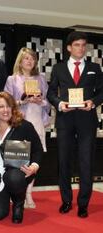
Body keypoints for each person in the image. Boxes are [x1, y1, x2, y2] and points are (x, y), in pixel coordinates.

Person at [47, 31, 103, 218]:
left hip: (87, 120)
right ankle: (66, 201)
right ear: (69, 48)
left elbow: (102, 92)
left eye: (83, 45)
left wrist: (93, 102)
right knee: (64, 161)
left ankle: (84, 203)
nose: (81, 48)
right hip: (65, 119)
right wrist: (60, 104)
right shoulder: (59, 68)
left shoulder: (95, 67)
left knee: (86, 162)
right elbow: (51, 93)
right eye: (77, 45)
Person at [4, 47, 50, 208]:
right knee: (18, 158)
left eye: (32, 58)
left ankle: (29, 194)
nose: (29, 61)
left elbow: (47, 103)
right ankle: (16, 193)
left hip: (37, 121)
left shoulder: (41, 78)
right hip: (20, 122)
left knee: (33, 160)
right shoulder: (12, 79)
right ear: (20, 61)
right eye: (26, 58)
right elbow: (7, 103)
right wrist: (22, 102)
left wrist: (40, 101)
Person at [0, 92, 43, 223]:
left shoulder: (24, 126)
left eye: (8, 106)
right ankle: (2, 196)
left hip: (16, 174)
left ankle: (18, 202)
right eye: (1, 107)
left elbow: (38, 150)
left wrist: (34, 167)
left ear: (13, 108)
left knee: (13, 177)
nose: (5, 110)